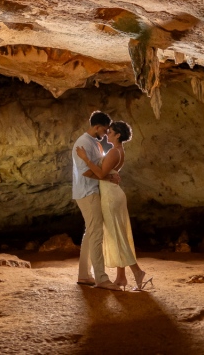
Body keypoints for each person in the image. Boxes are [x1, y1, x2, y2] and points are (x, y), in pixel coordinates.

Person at [76, 121, 152, 291]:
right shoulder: (118, 151)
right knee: (118, 234)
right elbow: (108, 172)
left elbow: (101, 173)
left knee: (117, 235)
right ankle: (121, 278)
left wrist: (85, 158)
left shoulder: (113, 152)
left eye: (110, 132)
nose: (107, 134)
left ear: (118, 135)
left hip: (110, 197)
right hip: (113, 193)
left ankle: (138, 272)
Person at [72, 110, 122, 291]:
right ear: (97, 127)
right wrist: (105, 178)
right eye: (105, 130)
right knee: (96, 235)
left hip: (89, 191)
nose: (105, 133)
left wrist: (108, 177)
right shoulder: (84, 142)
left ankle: (84, 275)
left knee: (90, 233)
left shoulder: (92, 142)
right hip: (87, 192)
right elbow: (84, 170)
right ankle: (101, 278)